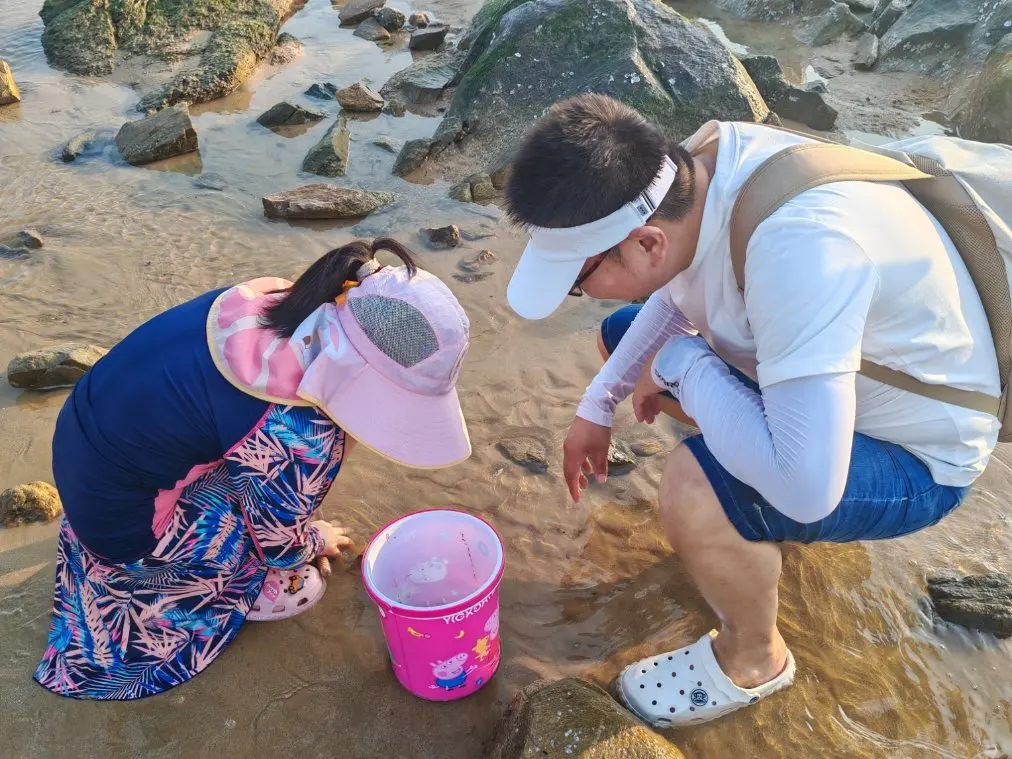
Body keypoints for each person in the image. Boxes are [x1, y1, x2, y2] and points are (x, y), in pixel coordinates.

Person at [503, 94, 1000, 727]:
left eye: (578, 281)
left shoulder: (800, 249)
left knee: (694, 486)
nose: (579, 294)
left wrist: (682, 363)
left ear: (646, 243)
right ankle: (744, 519)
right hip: (835, 386)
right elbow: (679, 293)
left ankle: (755, 659)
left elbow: (807, 490)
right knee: (624, 335)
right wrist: (597, 404)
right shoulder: (702, 167)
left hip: (918, 456)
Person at [34, 238, 471, 701]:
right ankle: (225, 587)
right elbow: (277, 541)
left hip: (84, 460)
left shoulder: (279, 300)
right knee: (300, 583)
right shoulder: (301, 431)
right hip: (123, 530)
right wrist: (312, 539)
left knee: (247, 468)